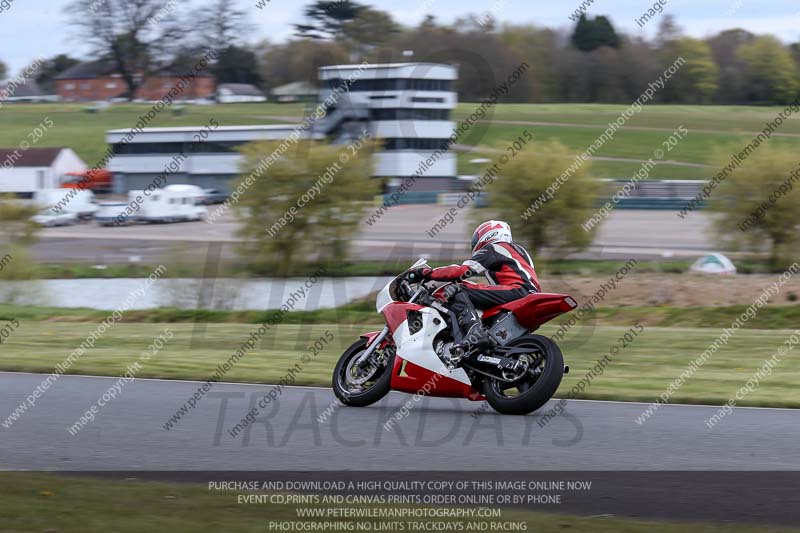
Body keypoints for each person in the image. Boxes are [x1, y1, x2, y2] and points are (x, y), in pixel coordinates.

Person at [411, 220, 540, 355]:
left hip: (517, 290)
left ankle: (474, 332)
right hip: (529, 294)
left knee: (459, 289)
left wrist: (427, 273)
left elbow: (462, 271)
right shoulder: (519, 251)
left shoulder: (495, 248)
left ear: (489, 234)